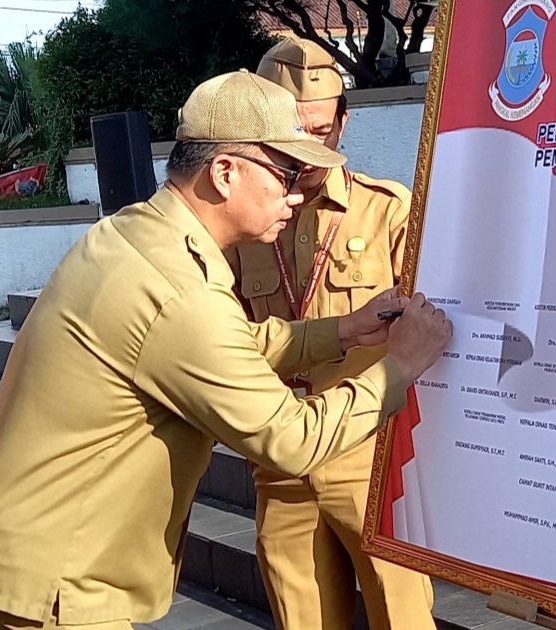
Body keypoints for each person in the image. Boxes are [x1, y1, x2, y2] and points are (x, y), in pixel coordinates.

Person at [0, 69, 452, 630]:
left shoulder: (135, 233)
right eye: (285, 172)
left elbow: (229, 344)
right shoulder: (179, 289)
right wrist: (400, 365)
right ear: (225, 173)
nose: (295, 193)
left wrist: (344, 330)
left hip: (15, 556)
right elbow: (290, 438)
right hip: (55, 586)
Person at [225, 39, 436, 630]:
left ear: (343, 122)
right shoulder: (241, 224)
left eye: (322, 130)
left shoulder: (388, 211)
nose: (309, 148)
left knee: (402, 615)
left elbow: (430, 329)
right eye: (292, 132)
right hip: (279, 462)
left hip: (371, 460)